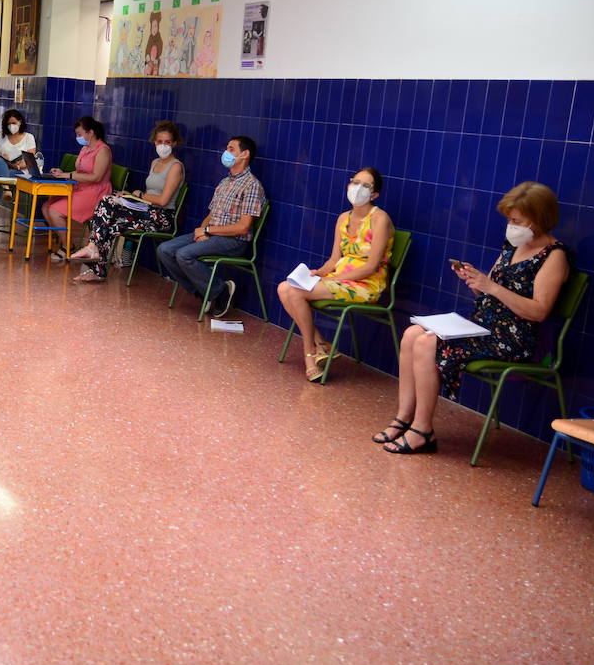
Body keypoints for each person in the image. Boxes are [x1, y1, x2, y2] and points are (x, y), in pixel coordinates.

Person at [374, 181, 570, 454]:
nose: (511, 225)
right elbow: (492, 290)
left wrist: (491, 288)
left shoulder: (554, 256)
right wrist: (477, 282)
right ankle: (403, 418)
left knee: (427, 343)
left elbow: (538, 311)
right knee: (411, 335)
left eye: (516, 220)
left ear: (538, 218)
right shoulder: (513, 246)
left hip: (512, 339)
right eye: (510, 219)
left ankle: (422, 430)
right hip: (484, 326)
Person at [277, 167, 394, 381]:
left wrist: (332, 279)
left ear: (374, 194)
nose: (357, 188)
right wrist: (318, 273)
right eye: (355, 182)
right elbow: (334, 259)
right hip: (338, 281)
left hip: (365, 285)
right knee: (284, 287)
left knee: (295, 293)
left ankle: (309, 355)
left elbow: (371, 266)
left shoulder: (380, 219)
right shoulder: (343, 218)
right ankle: (322, 344)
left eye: (365, 185)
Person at [157, 136, 264, 318]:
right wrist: (201, 231)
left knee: (184, 255)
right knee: (164, 250)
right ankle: (204, 291)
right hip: (211, 233)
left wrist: (208, 231)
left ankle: (220, 292)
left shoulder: (252, 185)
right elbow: (210, 215)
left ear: (244, 154)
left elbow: (243, 227)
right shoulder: (225, 182)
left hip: (233, 240)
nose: (226, 153)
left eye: (231, 149)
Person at [67, 121, 185, 283]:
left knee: (109, 210)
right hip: (145, 210)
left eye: (167, 142)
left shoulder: (176, 167)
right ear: (154, 142)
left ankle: (94, 253)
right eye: (159, 142)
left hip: (161, 217)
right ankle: (96, 262)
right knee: (109, 210)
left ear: (174, 143)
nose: (163, 146)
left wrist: (140, 195)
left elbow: (163, 200)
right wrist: (130, 196)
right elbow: (148, 196)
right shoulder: (155, 163)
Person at [42, 116, 113, 258]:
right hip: (80, 188)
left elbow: (96, 177)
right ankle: (68, 241)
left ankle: (67, 247)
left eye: (80, 134)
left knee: (55, 212)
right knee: (46, 207)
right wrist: (62, 173)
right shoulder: (85, 149)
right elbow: (80, 172)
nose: (77, 137)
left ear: (90, 133)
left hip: (96, 193)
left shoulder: (103, 150)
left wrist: (68, 176)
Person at [0, 109, 37, 227]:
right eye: (9, 124)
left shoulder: (29, 137)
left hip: (21, 172)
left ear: (20, 122)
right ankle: (6, 189)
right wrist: (3, 158)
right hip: (4, 166)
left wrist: (16, 166)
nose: (11, 126)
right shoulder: (1, 137)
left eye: (14, 123)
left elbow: (30, 160)